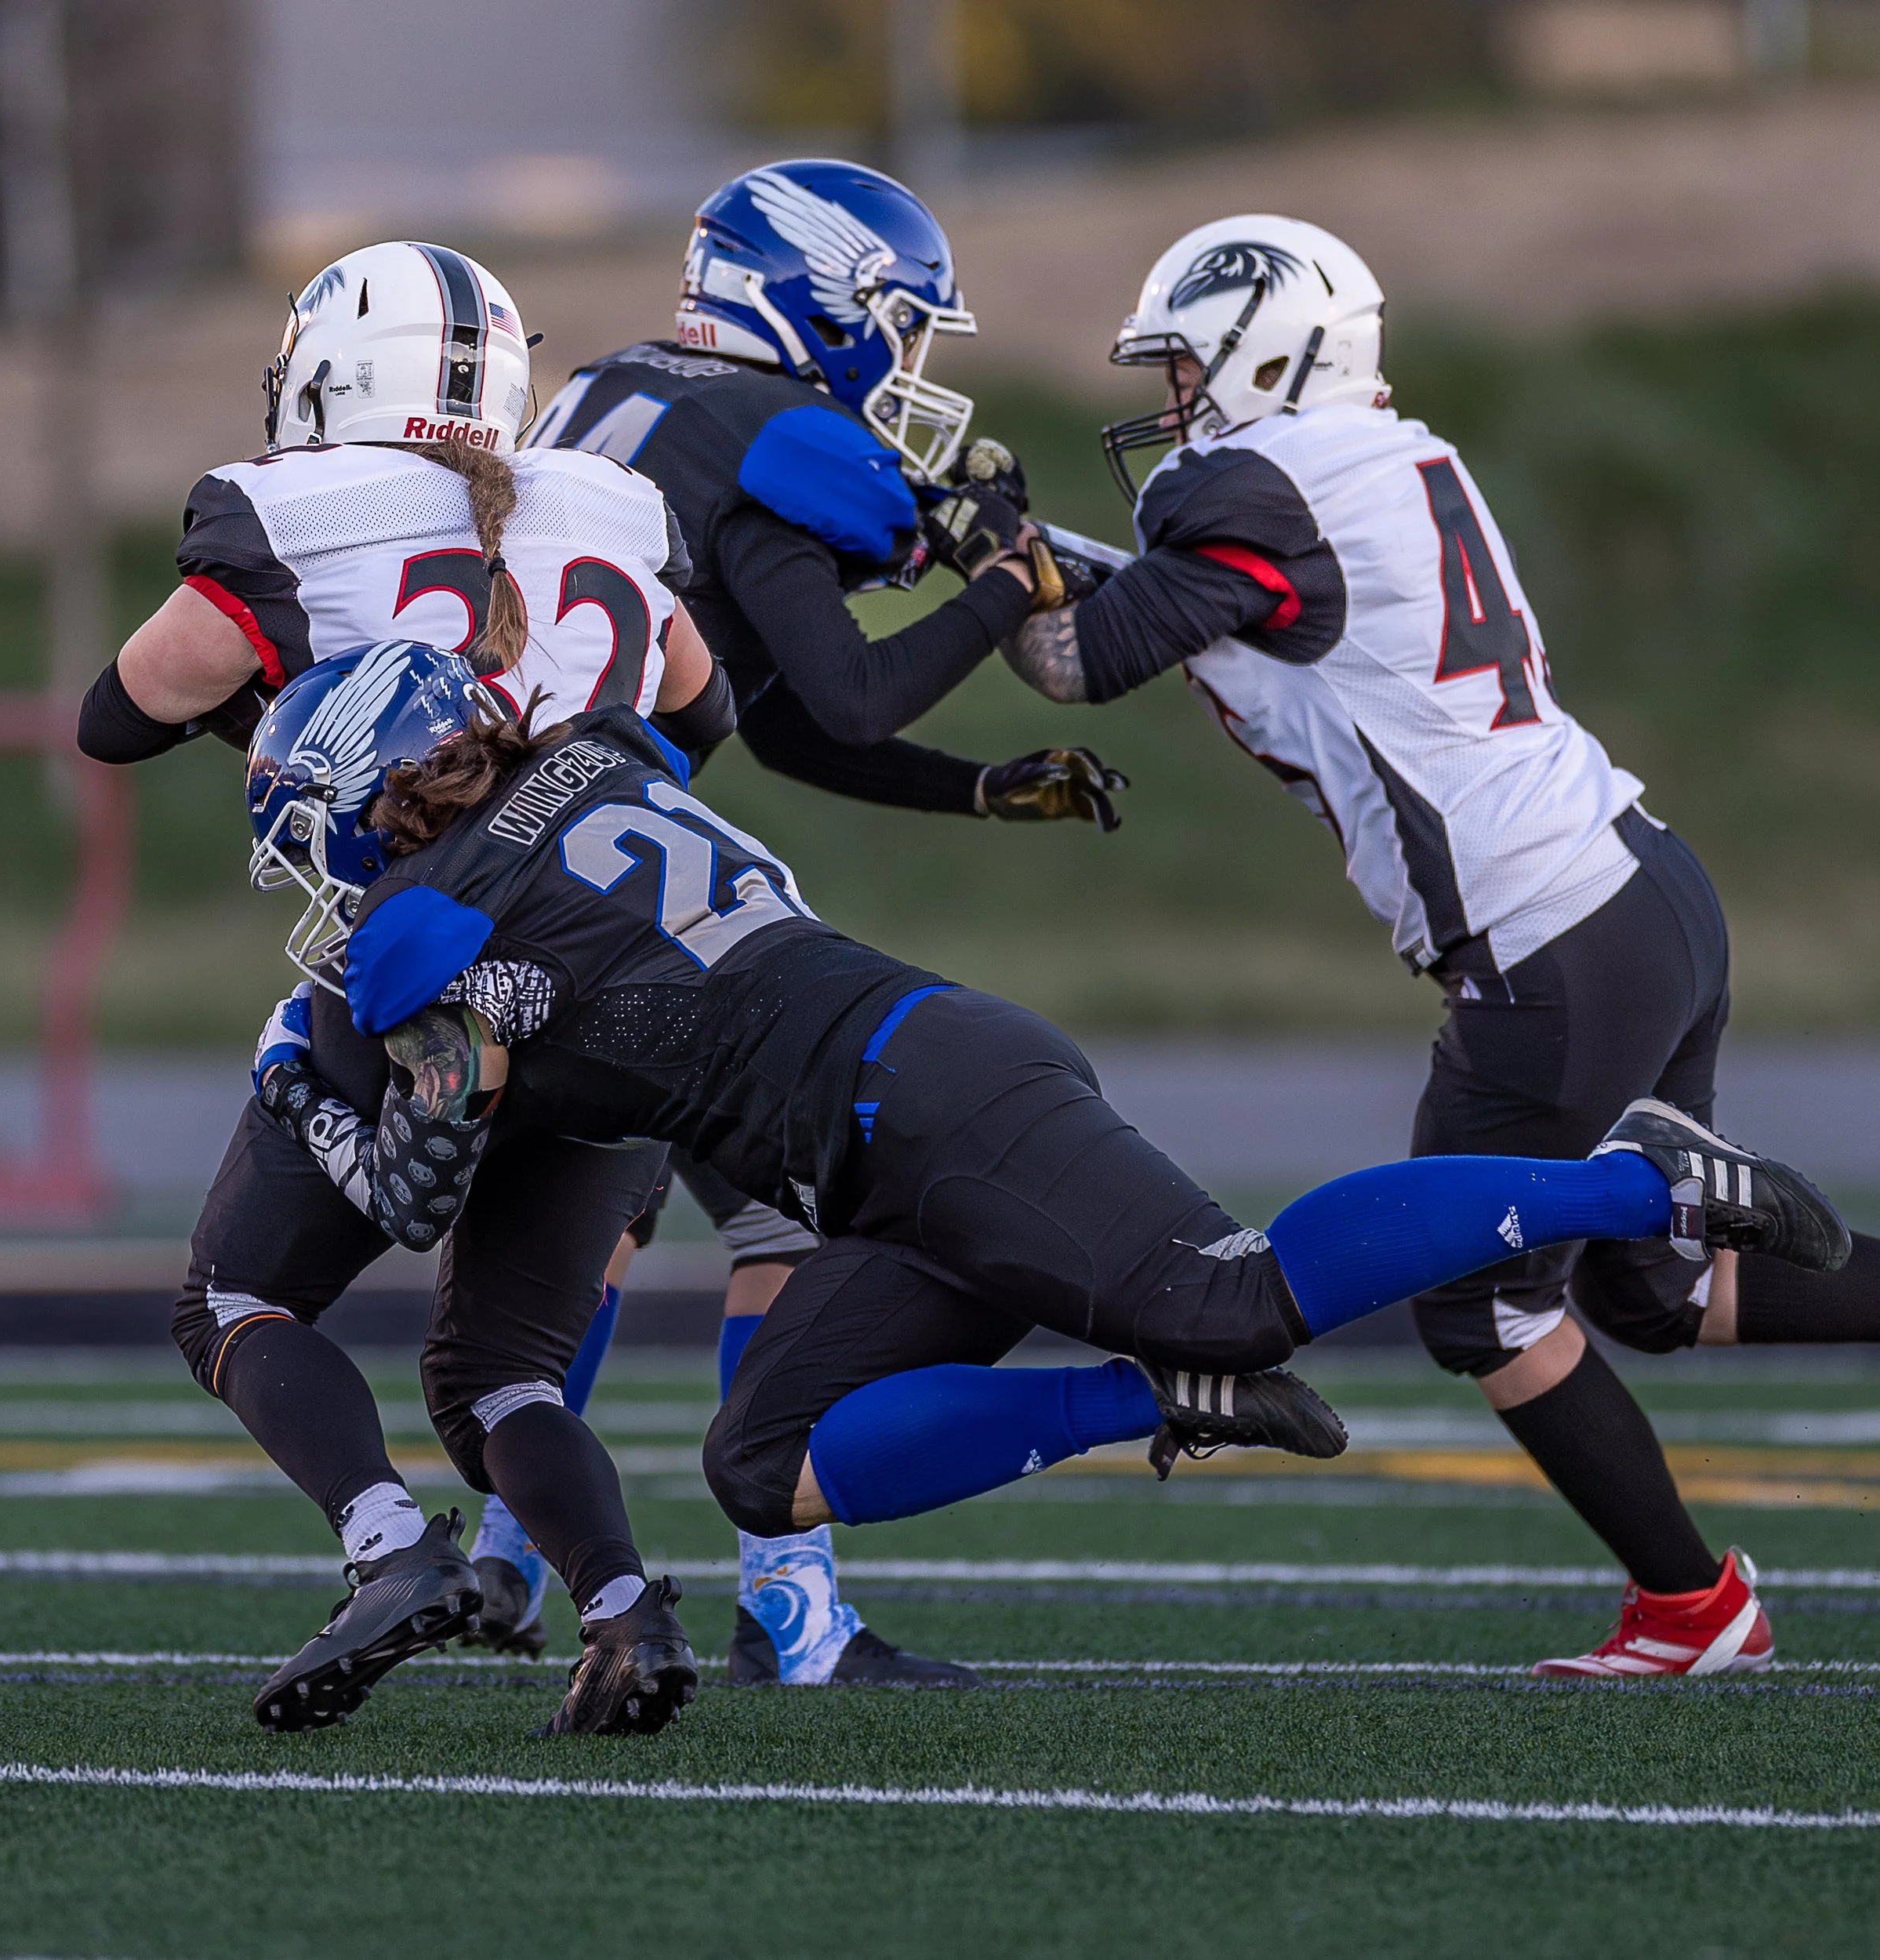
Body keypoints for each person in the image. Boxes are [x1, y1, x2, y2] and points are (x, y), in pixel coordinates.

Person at [239, 648, 1847, 1661]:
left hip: (915, 1097)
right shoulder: (598, 753)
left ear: (383, 794)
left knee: (1228, 1292)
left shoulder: (414, 921)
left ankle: (1632, 1180)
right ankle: (1147, 1398)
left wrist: (310, 1090)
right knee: (757, 1462)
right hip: (876, 1130)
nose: (308, 869)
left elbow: (410, 1195)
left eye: (310, 823)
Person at [996, 211, 1880, 1678]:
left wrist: (980, 570)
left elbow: (1079, 659)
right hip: (1643, 889)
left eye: (1183, 369)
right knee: (1648, 1288)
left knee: (1477, 1298)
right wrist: (1027, 560)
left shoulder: (1253, 485)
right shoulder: (1385, 462)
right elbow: (1221, 617)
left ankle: (1694, 1610)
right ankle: (1694, 1603)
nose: (1168, 408)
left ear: (1263, 349)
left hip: (1548, 944)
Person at [469, 157, 1125, 1685]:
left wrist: (971, 790)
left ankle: (506, 1547)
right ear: (820, 301)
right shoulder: (779, 432)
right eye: (895, 322)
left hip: (515, 846)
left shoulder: (624, 389)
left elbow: (784, 721)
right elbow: (841, 693)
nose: (902, 361)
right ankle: (784, 1602)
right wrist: (993, 591)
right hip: (610, 869)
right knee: (775, 1207)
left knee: (585, 1215)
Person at [76, 241, 734, 1736]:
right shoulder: (611, 501)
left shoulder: (286, 510)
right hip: (631, 974)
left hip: (433, 964)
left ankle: (390, 1550)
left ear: (327, 378)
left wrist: (311, 719)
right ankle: (626, 1614)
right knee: (506, 1371)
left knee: (236, 1296)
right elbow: (707, 709)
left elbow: (119, 712)